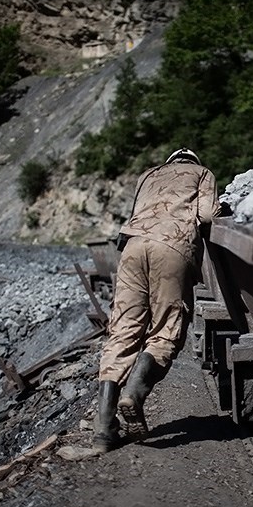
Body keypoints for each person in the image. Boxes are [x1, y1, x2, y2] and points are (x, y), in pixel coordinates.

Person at [93, 147, 222, 453]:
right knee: (167, 328)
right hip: (172, 248)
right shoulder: (203, 173)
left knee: (123, 331)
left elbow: (136, 213)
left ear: (170, 162)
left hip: (133, 249)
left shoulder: (147, 175)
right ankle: (134, 394)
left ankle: (103, 430)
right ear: (193, 162)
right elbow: (207, 215)